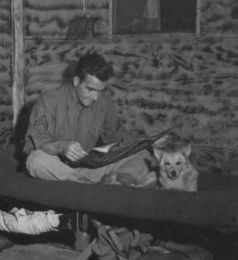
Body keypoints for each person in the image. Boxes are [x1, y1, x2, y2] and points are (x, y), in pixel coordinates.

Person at [24, 52, 159, 184]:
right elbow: (35, 143)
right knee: (35, 161)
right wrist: (61, 146)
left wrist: (147, 141)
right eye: (90, 89)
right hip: (60, 170)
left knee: (143, 155)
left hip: (93, 170)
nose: (95, 97)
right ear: (76, 81)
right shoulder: (48, 100)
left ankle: (115, 180)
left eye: (100, 91)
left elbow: (118, 138)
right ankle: (100, 186)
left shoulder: (104, 103)